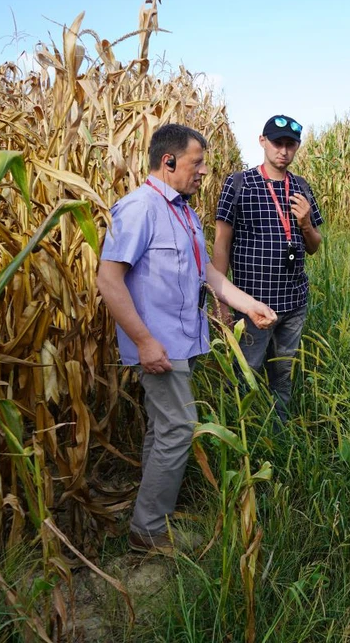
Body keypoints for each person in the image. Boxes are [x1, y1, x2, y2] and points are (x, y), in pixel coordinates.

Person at [97, 123, 277, 556]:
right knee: (178, 428)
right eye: (197, 164)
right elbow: (109, 279)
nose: (203, 172)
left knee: (164, 428)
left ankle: (151, 510)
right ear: (169, 161)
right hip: (159, 346)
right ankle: (148, 532)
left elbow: (208, 274)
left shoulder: (183, 212)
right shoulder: (140, 208)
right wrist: (143, 341)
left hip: (183, 341)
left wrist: (247, 304)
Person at [213, 114, 323, 424]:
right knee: (243, 375)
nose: (283, 151)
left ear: (297, 147)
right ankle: (237, 432)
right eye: (277, 143)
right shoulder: (239, 184)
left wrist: (304, 224)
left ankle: (279, 431)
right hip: (252, 307)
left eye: (290, 145)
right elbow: (221, 244)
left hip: (293, 303)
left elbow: (314, 245)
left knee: (283, 376)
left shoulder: (301, 187)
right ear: (262, 141)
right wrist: (221, 301)